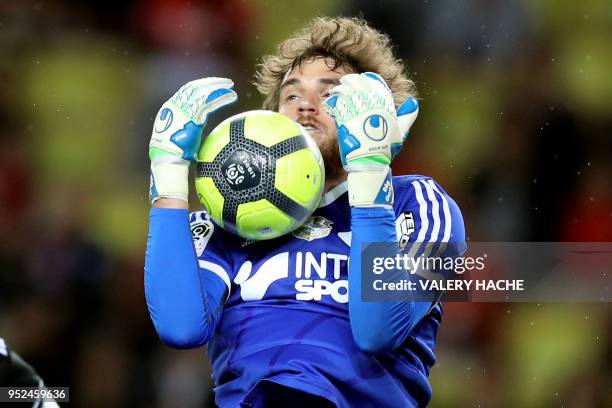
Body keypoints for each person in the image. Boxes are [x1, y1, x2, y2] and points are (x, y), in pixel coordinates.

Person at [145, 16, 465, 407]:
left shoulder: (422, 205)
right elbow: (180, 328)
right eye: (291, 96)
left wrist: (370, 172)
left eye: (331, 95)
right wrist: (169, 173)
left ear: (379, 113)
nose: (306, 106)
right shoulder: (226, 222)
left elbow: (378, 330)